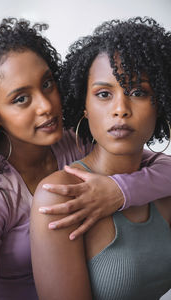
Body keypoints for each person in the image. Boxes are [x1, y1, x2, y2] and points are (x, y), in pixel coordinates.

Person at [30, 17, 171, 300]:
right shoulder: (59, 197)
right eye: (104, 94)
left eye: (138, 92)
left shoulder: (164, 185)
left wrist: (121, 191)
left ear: (161, 103)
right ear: (84, 106)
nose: (121, 109)